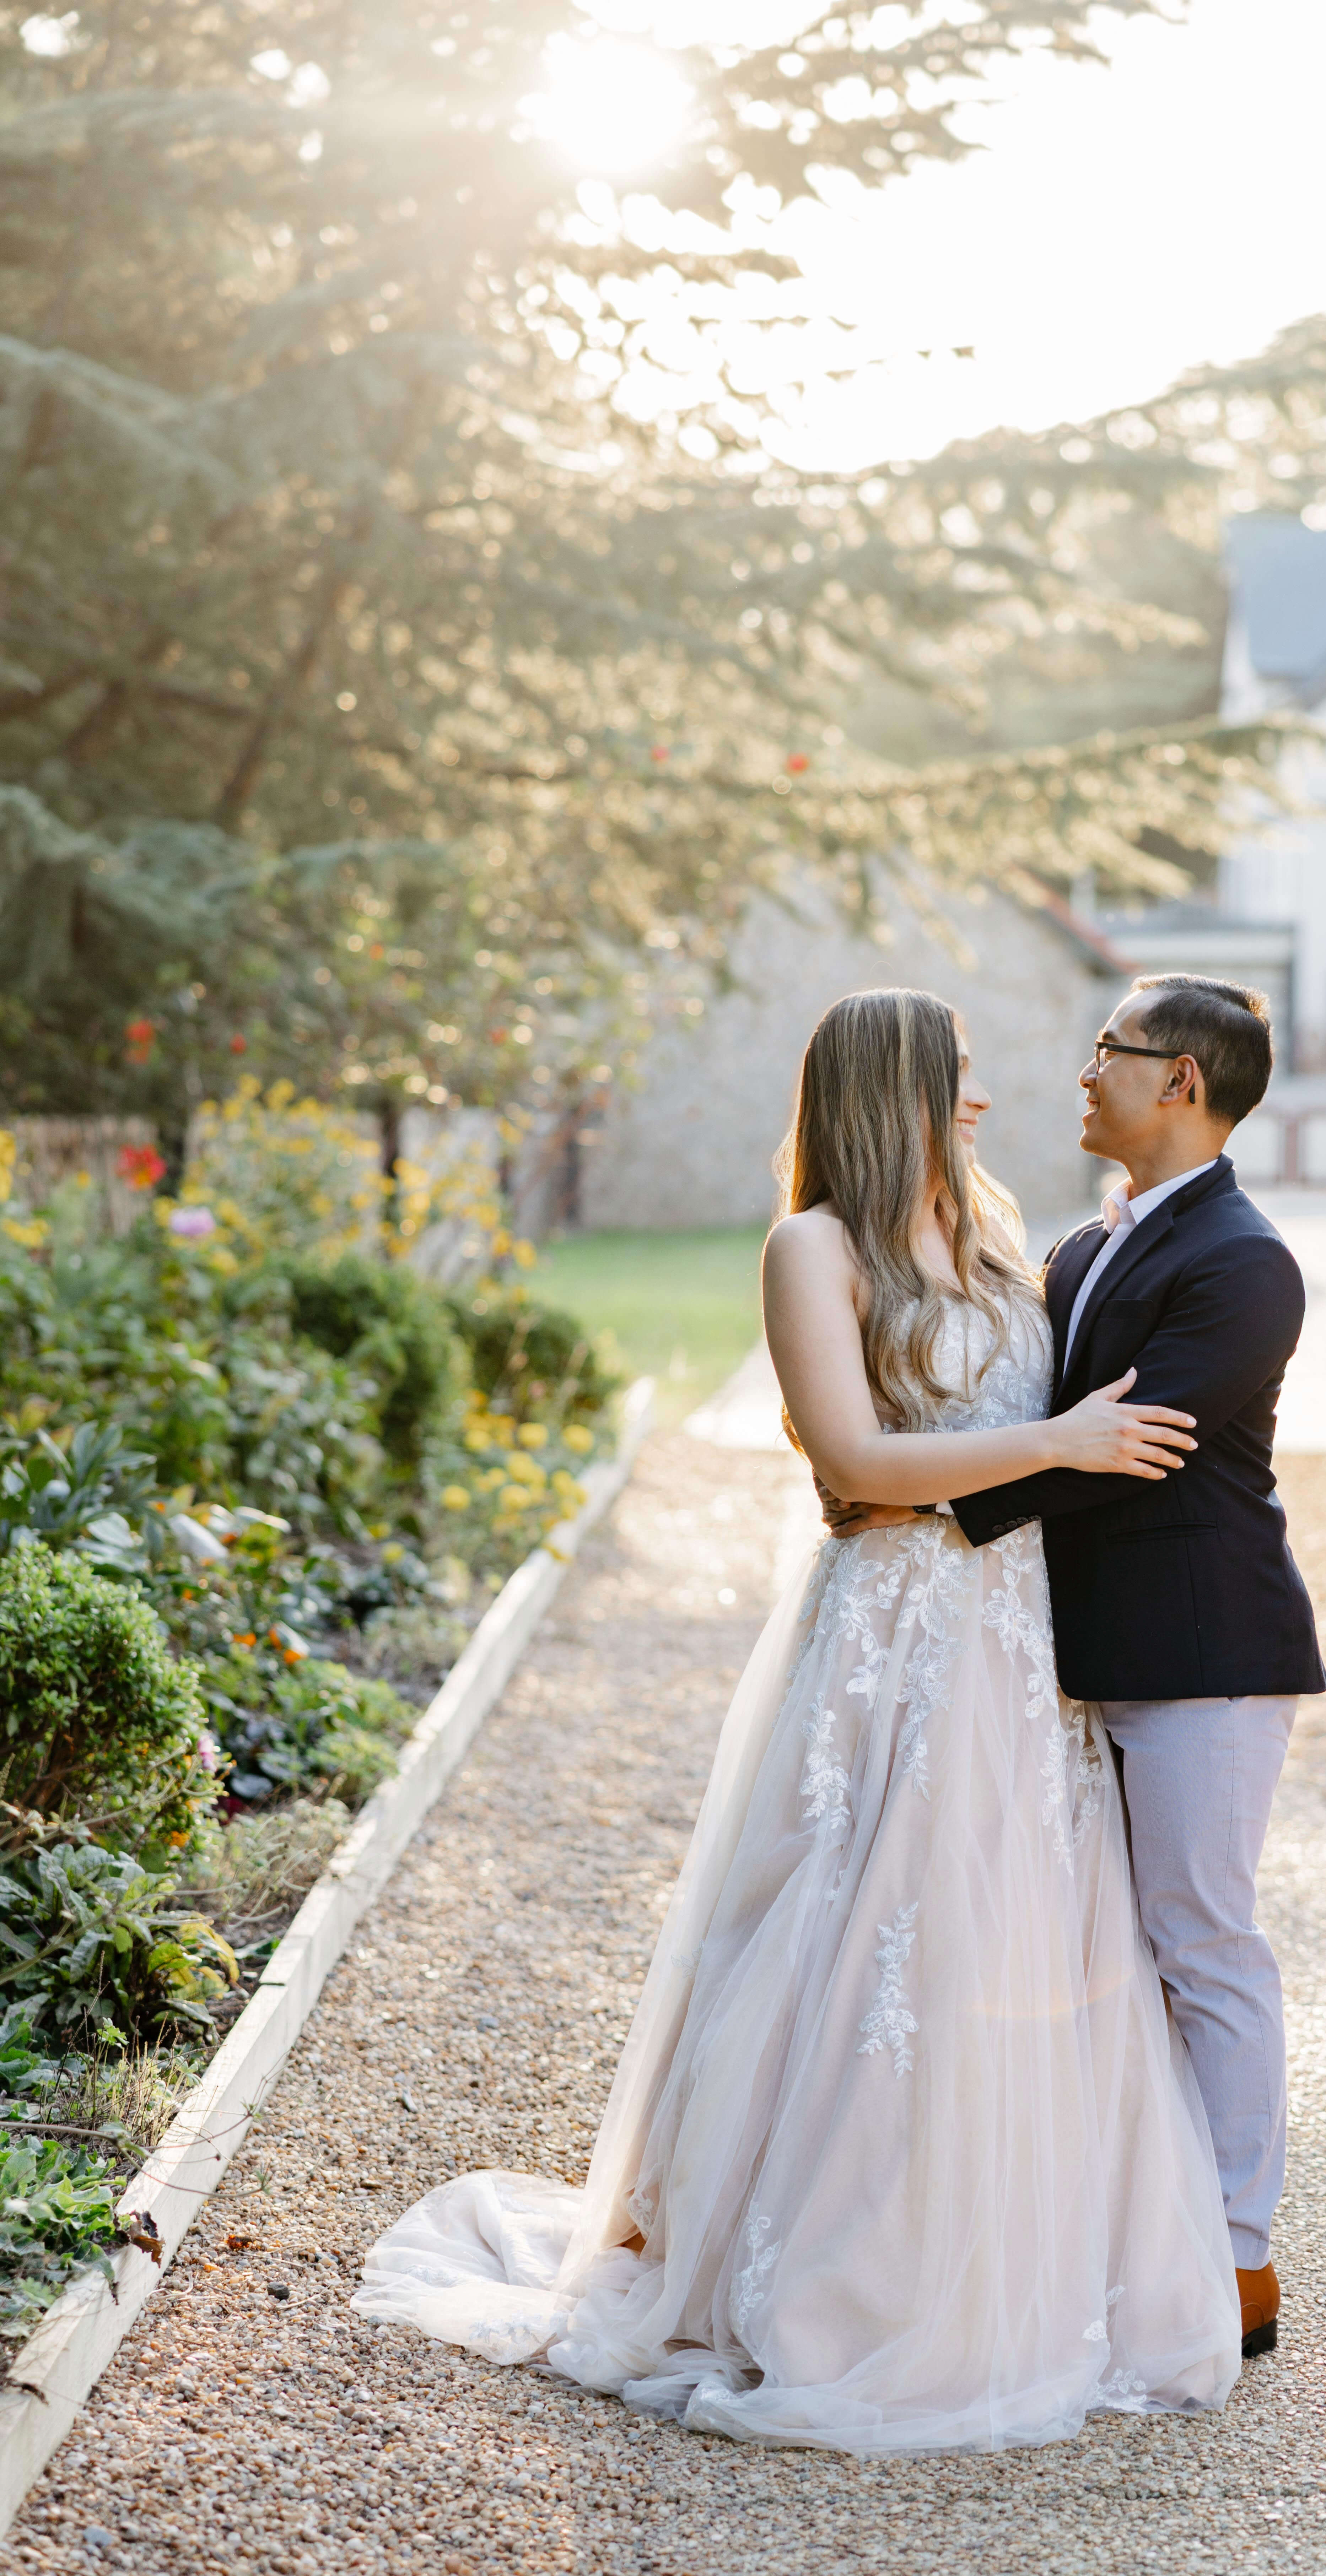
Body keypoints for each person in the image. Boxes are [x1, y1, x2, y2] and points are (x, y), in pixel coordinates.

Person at [355, 987, 1245, 2454]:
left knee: (1018, 1930)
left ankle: (1022, 2256)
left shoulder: (993, 1232)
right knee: (868, 1928)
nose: (981, 1098)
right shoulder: (811, 1249)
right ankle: (840, 2272)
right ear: (890, 1090)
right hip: (891, 1638)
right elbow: (853, 1460)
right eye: (956, 1076)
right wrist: (1061, 1442)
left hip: (1015, 1641)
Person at [831, 974, 1326, 2356]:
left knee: (1201, 1941)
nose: (1082, 1070)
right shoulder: (1077, 1242)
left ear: (1179, 1082)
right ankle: (1115, 2226)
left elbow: (1127, 1447)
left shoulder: (1242, 1263)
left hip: (1200, 1653)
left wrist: (904, 1502)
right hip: (1057, 1653)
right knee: (1093, 1950)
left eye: (1108, 1049)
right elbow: (1039, 1410)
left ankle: (1236, 2256)